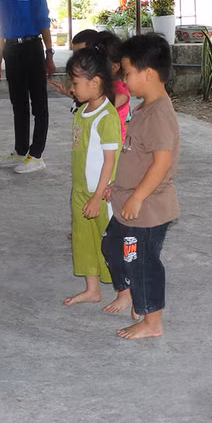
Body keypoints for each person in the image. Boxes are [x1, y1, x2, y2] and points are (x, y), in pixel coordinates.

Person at [101, 34, 180, 339]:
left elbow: (161, 163)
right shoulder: (146, 107)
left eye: (127, 72)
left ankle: (152, 320)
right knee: (112, 246)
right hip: (128, 203)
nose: (124, 79)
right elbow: (135, 155)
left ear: (148, 74)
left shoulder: (160, 114)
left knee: (142, 262)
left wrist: (136, 197)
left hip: (145, 210)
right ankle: (132, 295)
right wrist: (117, 186)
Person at [0, 0, 56, 174]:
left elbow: (44, 23)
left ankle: (36, 155)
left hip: (32, 49)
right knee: (18, 104)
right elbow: (2, 29)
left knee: (39, 104)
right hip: (11, 52)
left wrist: (49, 54)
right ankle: (20, 151)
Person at [62, 47, 121, 307]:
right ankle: (92, 289)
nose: (72, 88)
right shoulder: (83, 111)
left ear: (95, 82)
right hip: (79, 190)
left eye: (75, 83)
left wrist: (98, 196)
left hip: (101, 194)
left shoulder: (107, 118)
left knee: (111, 244)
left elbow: (110, 160)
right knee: (84, 241)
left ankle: (125, 292)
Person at [94, 31, 131, 141]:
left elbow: (97, 107)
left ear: (114, 66)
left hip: (112, 147)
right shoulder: (102, 85)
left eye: (96, 63)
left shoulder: (120, 91)